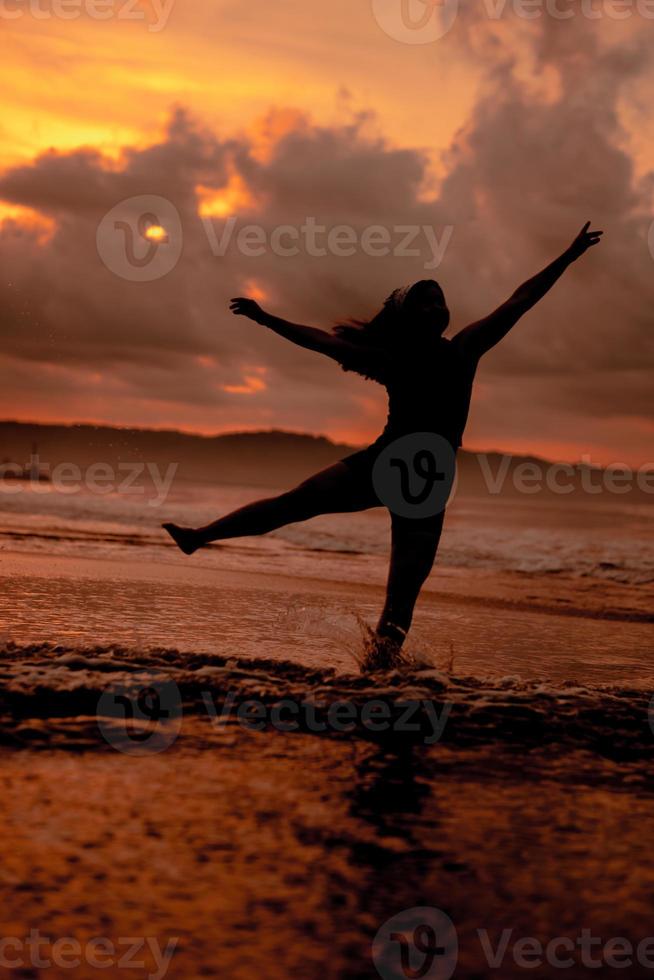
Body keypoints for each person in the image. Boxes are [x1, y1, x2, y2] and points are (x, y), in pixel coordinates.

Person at [163, 222, 603, 668]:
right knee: (292, 504)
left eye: (440, 300)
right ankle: (200, 536)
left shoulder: (464, 348)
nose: (437, 306)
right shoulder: (392, 358)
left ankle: (378, 671)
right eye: (426, 301)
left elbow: (520, 300)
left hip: (426, 481)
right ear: (409, 317)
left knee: (401, 600)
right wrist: (267, 318)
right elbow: (320, 340)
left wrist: (567, 257)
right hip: (386, 463)